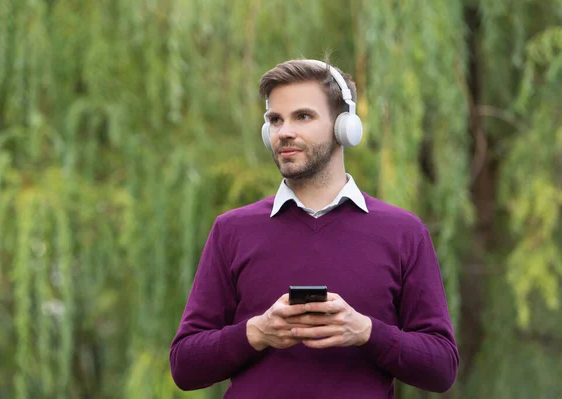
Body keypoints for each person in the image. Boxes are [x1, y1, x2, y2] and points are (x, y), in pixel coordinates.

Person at [169, 58, 459, 398]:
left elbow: (442, 368)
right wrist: (257, 332)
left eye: (302, 116)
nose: (284, 131)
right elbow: (184, 365)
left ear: (344, 126)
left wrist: (366, 331)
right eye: (275, 120)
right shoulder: (231, 230)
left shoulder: (403, 232)